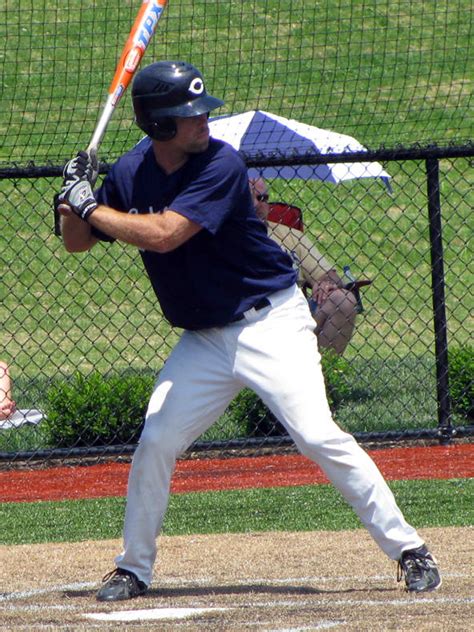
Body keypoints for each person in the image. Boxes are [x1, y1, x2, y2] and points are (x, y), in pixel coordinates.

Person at [56, 60, 441, 601]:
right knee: (156, 441)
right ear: (159, 124)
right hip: (203, 340)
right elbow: (75, 241)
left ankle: (410, 549)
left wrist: (90, 205)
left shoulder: (221, 164)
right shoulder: (129, 173)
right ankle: (133, 568)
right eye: (189, 114)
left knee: (317, 435)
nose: (203, 120)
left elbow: (165, 234)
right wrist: (70, 198)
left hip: (271, 324)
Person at [250, 177, 358, 355]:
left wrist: (325, 283)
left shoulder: (289, 235)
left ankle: (324, 370)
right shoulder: (223, 236)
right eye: (248, 197)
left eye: (262, 198)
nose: (256, 204)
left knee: (343, 300)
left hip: (296, 312)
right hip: (250, 316)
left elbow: (330, 275)